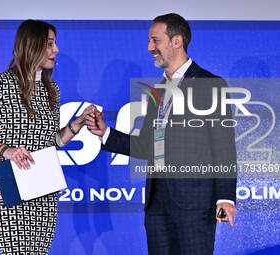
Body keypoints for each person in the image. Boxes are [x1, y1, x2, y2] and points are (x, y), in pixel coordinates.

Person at [87, 13, 237, 255]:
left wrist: (226, 198)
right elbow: (146, 146)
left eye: (155, 41)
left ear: (176, 41)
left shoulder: (210, 84)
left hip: (195, 207)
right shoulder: (158, 90)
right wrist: (105, 133)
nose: (149, 48)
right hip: (157, 206)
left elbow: (224, 148)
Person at [0, 19, 95, 254]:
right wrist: (6, 150)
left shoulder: (52, 89)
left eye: (54, 44)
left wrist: (77, 125)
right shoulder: (0, 83)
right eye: (49, 44)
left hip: (45, 181)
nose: (55, 50)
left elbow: (52, 142)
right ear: (31, 45)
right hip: (8, 178)